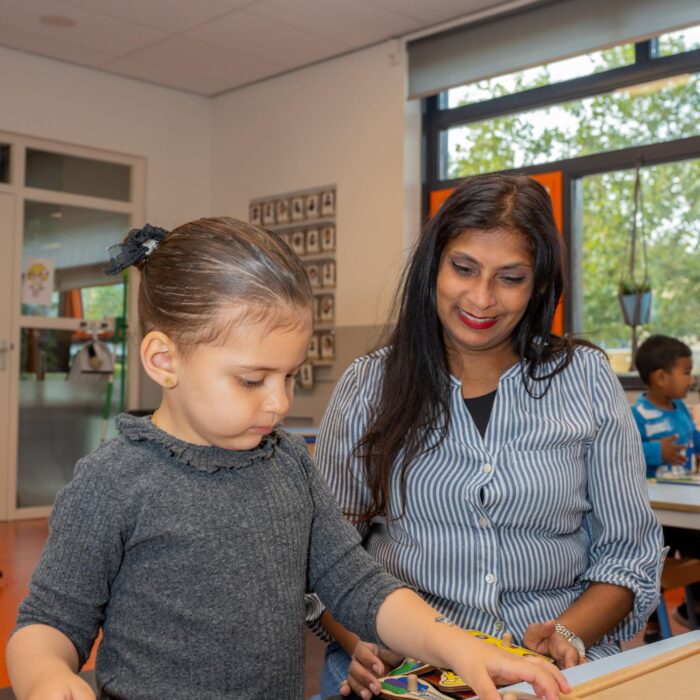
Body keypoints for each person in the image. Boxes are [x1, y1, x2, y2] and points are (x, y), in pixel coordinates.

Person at [6, 218, 570, 700]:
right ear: (163, 359)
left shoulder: (289, 465)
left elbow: (357, 583)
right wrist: (46, 678)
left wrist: (456, 644)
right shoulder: (114, 481)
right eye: (252, 380)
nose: (279, 402)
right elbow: (50, 624)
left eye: (290, 376)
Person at [307, 174, 665, 698]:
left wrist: (569, 630)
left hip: (551, 668)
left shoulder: (585, 377)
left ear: (540, 284)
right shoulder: (370, 385)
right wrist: (358, 640)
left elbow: (628, 553)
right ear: (434, 267)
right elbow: (325, 555)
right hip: (405, 664)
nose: (481, 298)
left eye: (511, 277)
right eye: (464, 268)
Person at [630, 334, 700, 639]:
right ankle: (655, 623)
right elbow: (627, 452)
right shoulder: (638, 414)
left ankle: (690, 609)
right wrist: (659, 452)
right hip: (654, 513)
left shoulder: (680, 409)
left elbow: (692, 438)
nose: (691, 378)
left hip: (682, 501)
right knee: (654, 559)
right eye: (686, 372)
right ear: (660, 377)